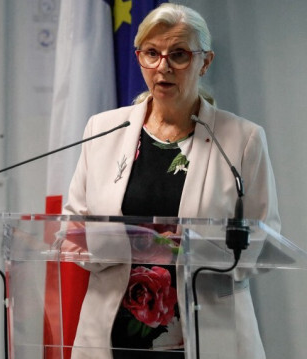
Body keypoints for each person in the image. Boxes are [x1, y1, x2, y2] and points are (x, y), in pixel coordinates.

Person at [62, 3, 280, 359]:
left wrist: (187, 248)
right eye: (152, 53)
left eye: (178, 55)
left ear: (204, 62)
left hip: (207, 333)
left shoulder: (242, 139)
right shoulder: (102, 130)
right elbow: (73, 230)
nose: (163, 67)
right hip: (114, 335)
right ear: (139, 57)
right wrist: (132, 245)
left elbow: (261, 243)